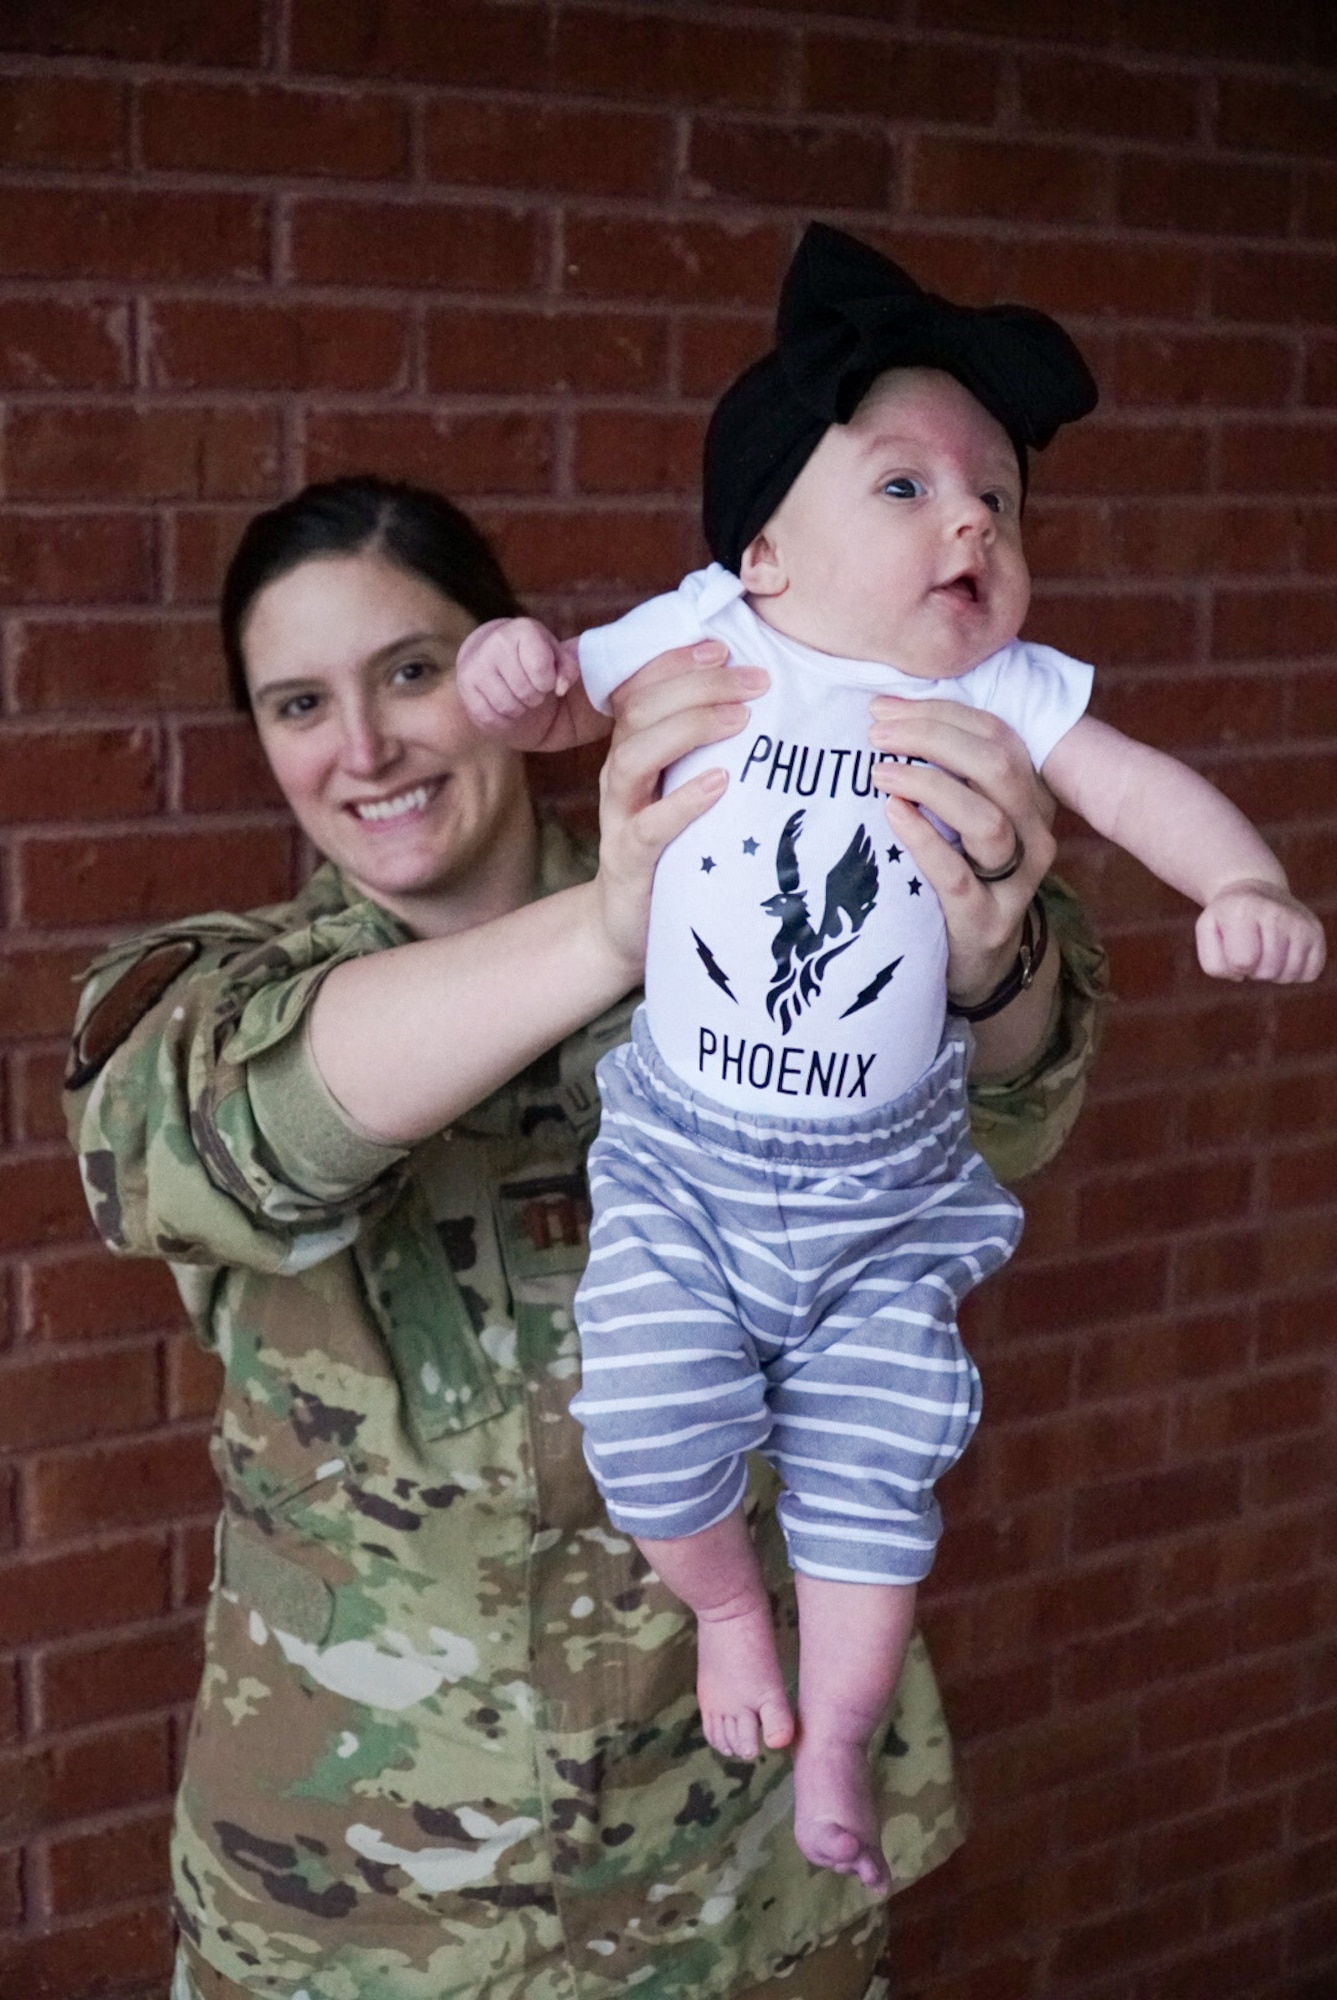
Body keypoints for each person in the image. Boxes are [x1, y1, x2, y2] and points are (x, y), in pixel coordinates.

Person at [66, 473, 1107, 2000]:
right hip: (357, 1914)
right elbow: (236, 1132)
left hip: (736, 1882)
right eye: (299, 704)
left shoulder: (763, 926)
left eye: (412, 672)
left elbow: (1011, 1103)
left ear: (511, 669)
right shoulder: (197, 999)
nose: (362, 750)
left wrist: (979, 942)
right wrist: (621, 924)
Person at [455, 226, 1326, 1896]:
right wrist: (516, 669)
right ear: (765, 551)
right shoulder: (710, 638)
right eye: (907, 488)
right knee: (642, 1420)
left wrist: (1241, 881)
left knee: (876, 1474)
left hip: (889, 1195)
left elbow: (1139, 791)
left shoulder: (1009, 692)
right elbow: (559, 706)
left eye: (995, 493)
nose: (973, 518)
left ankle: (838, 1734)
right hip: (687, 1166)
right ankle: (721, 1608)